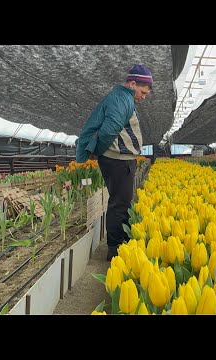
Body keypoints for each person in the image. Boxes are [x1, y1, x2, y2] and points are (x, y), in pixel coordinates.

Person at [75, 64, 153, 261]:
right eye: (142, 92)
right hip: (118, 161)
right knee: (119, 204)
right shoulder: (121, 99)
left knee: (122, 202)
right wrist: (99, 151)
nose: (143, 96)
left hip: (121, 160)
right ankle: (115, 249)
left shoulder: (124, 98)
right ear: (132, 83)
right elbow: (110, 130)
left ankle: (122, 241)